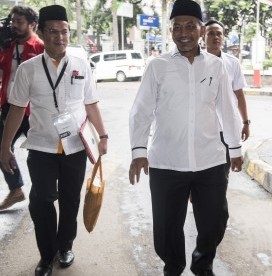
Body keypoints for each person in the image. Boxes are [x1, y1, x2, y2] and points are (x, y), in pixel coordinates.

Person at [128, 0, 243, 275]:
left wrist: (235, 147)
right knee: (167, 227)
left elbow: (228, 108)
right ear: (170, 32)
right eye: (177, 27)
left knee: (215, 221)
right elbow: (141, 111)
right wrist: (138, 151)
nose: (184, 33)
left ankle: (202, 264)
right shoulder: (157, 66)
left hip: (210, 160)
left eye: (190, 26)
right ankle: (173, 266)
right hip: (167, 162)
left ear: (201, 30)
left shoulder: (217, 66)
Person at [0, 5, 107, 276]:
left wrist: (103, 135)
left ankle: (65, 246)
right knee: (41, 200)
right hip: (41, 146)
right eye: (53, 32)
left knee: (71, 200)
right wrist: (5, 147)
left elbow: (91, 103)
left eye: (65, 32)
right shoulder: (28, 69)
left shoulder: (81, 64)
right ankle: (46, 256)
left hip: (75, 146)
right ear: (42, 32)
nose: (60, 37)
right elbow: (16, 109)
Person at [0, 5, 44, 211]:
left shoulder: (40, 47)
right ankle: (16, 189)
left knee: (41, 152)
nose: (14, 25)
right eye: (13, 21)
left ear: (32, 25)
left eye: (20, 22)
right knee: (2, 147)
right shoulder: (8, 46)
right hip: (10, 108)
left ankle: (46, 190)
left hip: (33, 111)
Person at [204, 18, 250, 174]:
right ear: (203, 36)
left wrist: (245, 122)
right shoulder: (194, 63)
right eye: (211, 33)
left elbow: (239, 96)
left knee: (222, 176)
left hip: (226, 130)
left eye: (219, 34)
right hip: (202, 130)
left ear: (223, 37)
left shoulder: (232, 63)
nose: (216, 37)